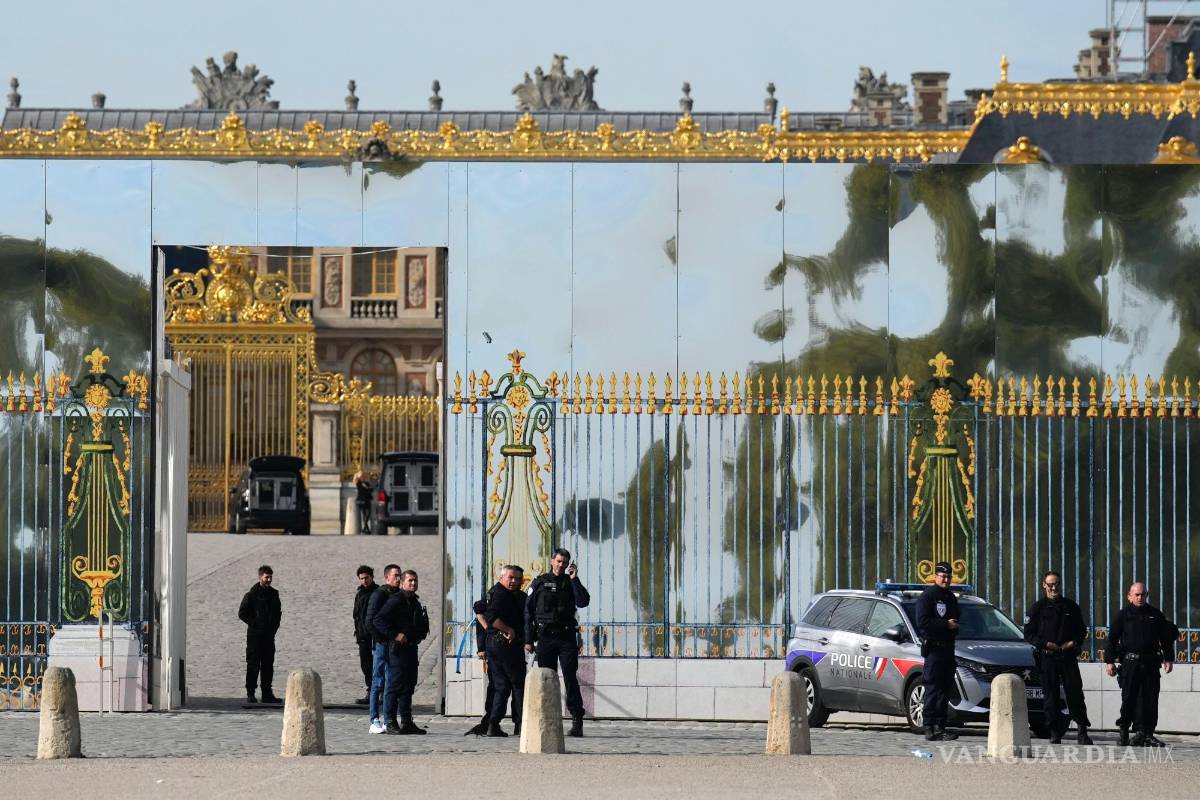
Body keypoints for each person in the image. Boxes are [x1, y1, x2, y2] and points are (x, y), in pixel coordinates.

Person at [526, 548, 591, 736]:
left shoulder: (570, 582)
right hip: (545, 636)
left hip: (566, 637)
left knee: (570, 677)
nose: (561, 565)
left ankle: (576, 718)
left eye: (565, 562)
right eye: (559, 561)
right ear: (552, 560)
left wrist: (574, 579)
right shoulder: (539, 582)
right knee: (547, 677)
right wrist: (528, 638)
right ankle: (547, 717)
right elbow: (528, 612)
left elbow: (583, 602)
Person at [1023, 570, 1092, 744]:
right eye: (1050, 584)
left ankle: (1082, 730)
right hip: (1048, 657)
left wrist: (1073, 643)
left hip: (1067, 656)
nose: (1054, 587)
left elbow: (1082, 631)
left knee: (1075, 693)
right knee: (1050, 695)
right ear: (1044, 585)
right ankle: (1054, 731)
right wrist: (1045, 644)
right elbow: (1029, 634)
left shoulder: (1071, 607)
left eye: (1056, 584)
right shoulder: (1037, 608)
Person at [1105, 581, 1177, 747]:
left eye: (1143, 594)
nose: (1140, 597)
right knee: (1129, 698)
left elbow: (1165, 639)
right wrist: (1109, 662)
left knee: (1151, 699)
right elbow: (1111, 639)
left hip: (1151, 663)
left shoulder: (1155, 614)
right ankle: (1123, 730)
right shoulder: (1123, 615)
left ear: (1147, 595)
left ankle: (1147, 733)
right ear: (1129, 596)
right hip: (1130, 663)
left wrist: (1169, 658)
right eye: (1136, 594)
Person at [373, 569, 430, 734]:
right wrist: (394, 635)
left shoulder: (414, 601)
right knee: (394, 685)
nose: (413, 583)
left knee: (408, 686)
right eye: (410, 581)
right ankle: (390, 721)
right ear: (403, 583)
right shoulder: (396, 600)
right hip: (398, 651)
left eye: (415, 581)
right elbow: (378, 620)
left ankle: (406, 721)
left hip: (411, 648)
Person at [915, 561, 959, 741]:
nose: (946, 579)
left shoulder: (950, 598)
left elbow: (956, 619)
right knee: (932, 688)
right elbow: (922, 622)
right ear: (936, 576)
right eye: (943, 576)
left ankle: (941, 726)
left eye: (949, 577)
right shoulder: (928, 596)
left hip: (948, 649)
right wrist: (944, 624)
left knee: (944, 689)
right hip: (933, 648)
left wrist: (952, 627)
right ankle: (929, 726)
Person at [484, 564, 527, 737]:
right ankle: (519, 724)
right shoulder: (500, 594)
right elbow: (491, 617)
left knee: (501, 686)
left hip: (496, 645)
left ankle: (493, 724)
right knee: (517, 684)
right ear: (502, 577)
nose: (514, 581)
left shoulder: (504, 593)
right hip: (505, 645)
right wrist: (508, 629)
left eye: (517, 578)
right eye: (511, 577)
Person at [365, 563, 401, 733]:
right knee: (378, 681)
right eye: (395, 575)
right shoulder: (379, 594)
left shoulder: (399, 595)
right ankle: (374, 719)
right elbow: (370, 621)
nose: (398, 578)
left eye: (400, 575)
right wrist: (381, 640)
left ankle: (388, 718)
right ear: (387, 578)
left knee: (390, 681)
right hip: (382, 644)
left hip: (394, 644)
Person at [238, 565, 282, 704]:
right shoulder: (251, 595)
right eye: (266, 577)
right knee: (253, 665)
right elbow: (242, 613)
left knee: (268, 665)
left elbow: (278, 613)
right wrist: (256, 624)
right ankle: (250, 693)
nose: (269, 579)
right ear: (260, 577)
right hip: (255, 637)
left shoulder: (274, 594)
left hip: (269, 637)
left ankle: (267, 693)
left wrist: (273, 628)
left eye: (270, 577)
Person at [352, 565, 378, 705]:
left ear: (372, 577)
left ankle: (378, 692)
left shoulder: (378, 592)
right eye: (361, 578)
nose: (364, 581)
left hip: (374, 636)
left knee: (377, 665)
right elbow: (357, 615)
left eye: (366, 578)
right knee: (366, 664)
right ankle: (370, 691)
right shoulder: (360, 593)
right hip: (362, 636)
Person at [354, 471, 373, 535]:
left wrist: (367, 487)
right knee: (364, 514)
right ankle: (366, 529)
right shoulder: (358, 483)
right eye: (361, 476)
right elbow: (362, 489)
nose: (363, 477)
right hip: (361, 500)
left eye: (363, 476)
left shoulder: (367, 483)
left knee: (368, 514)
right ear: (359, 477)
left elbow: (370, 489)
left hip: (367, 500)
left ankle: (365, 528)